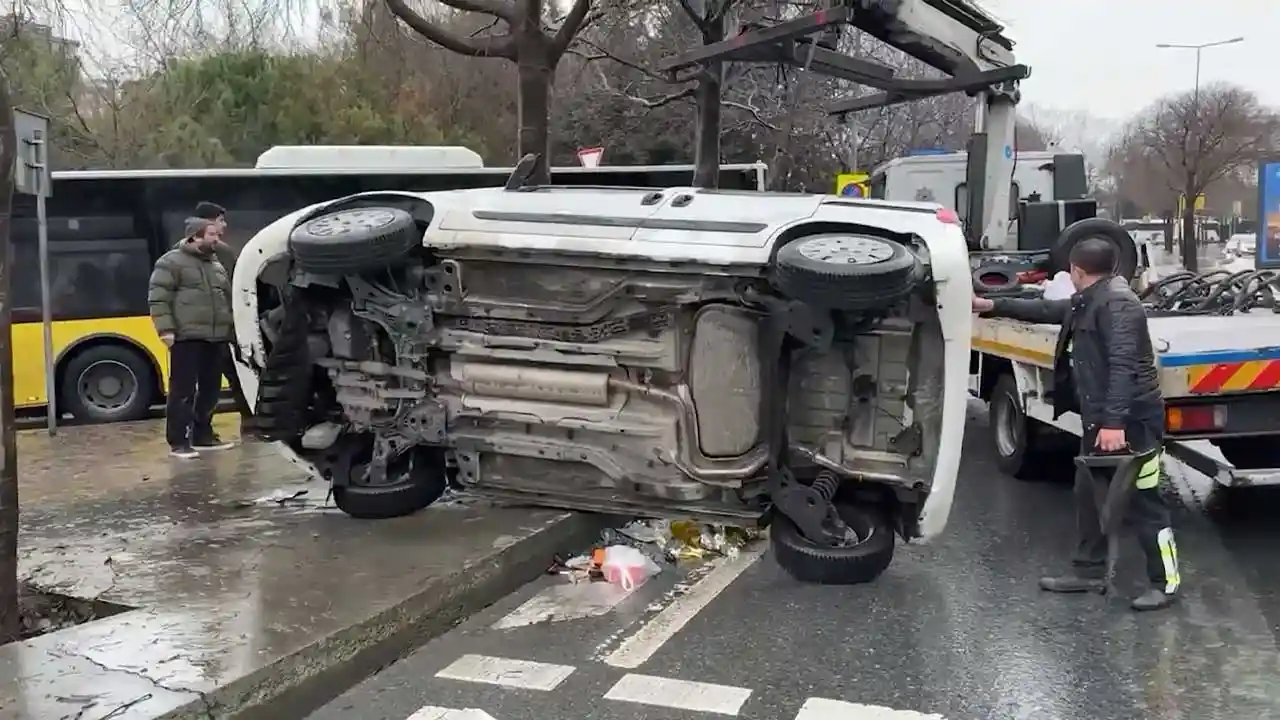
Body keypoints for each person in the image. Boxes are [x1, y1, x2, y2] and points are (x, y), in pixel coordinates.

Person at [972, 238, 1179, 611]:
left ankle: (1165, 583)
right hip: (1100, 419)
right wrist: (993, 305)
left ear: (1078, 271)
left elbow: (1124, 367)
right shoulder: (1093, 297)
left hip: (1131, 423)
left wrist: (1114, 423)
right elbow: (1050, 308)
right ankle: (1088, 571)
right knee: (1088, 493)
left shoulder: (1117, 304)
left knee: (1144, 501)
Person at [148, 217, 237, 458]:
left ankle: (203, 435)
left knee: (211, 389)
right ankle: (178, 441)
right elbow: (158, 298)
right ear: (195, 236)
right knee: (183, 389)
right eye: (212, 235)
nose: (217, 239)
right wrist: (165, 330)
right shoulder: (171, 262)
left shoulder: (215, 264)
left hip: (215, 336)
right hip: (186, 337)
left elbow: (226, 299)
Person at [193, 201, 260, 437]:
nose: (224, 224)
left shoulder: (186, 250)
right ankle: (248, 423)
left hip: (210, 327)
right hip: (219, 328)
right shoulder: (221, 252)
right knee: (234, 376)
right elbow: (238, 289)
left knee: (211, 381)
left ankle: (203, 429)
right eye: (220, 219)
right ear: (207, 222)